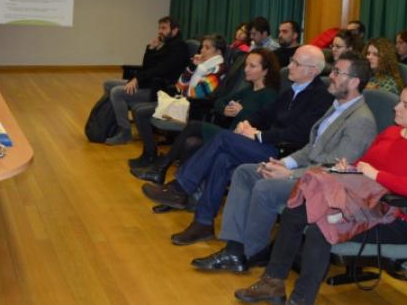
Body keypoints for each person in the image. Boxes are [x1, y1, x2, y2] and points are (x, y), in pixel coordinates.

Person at [234, 82, 407, 305]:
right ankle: (273, 282)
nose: (396, 107)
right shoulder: (392, 133)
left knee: (321, 228)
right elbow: (365, 165)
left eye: (406, 105)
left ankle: (300, 300)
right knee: (297, 206)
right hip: (363, 205)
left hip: (396, 219)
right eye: (400, 101)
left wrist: (376, 175)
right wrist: (348, 168)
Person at [190, 52, 378, 273]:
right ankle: (233, 249)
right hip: (305, 170)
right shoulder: (337, 106)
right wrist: (285, 164)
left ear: (354, 82)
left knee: (265, 186)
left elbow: (334, 169)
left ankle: (251, 253)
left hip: (322, 184)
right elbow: (311, 147)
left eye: (338, 72)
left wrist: (289, 175)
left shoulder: (361, 120)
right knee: (245, 172)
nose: (332, 75)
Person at [141, 45, 333, 245]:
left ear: (312, 70)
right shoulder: (292, 90)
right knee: (223, 158)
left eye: (296, 63)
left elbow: (299, 134)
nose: (290, 66)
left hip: (284, 154)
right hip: (270, 145)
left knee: (223, 138)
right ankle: (203, 223)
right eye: (291, 60)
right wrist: (247, 122)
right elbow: (265, 114)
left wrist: (258, 135)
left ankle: (181, 187)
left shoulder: (321, 97)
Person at [131, 48, 281, 184]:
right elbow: (219, 101)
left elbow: (264, 122)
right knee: (190, 142)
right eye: (246, 65)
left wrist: (241, 112)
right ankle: (178, 183)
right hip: (229, 134)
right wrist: (225, 110)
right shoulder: (248, 90)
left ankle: (161, 170)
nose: (246, 69)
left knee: (194, 125)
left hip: (239, 140)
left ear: (266, 71)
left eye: (252, 66)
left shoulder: (269, 94)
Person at [128, 34, 228, 168]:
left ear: (218, 52)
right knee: (137, 110)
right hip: (184, 103)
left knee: (141, 113)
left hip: (194, 110)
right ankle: (149, 154)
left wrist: (188, 86)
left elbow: (197, 93)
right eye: (202, 47)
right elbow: (180, 84)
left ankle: (150, 155)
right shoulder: (202, 65)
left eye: (207, 48)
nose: (202, 51)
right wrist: (193, 67)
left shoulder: (219, 69)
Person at [102, 16, 189, 145]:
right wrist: (150, 49)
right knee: (108, 84)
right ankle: (118, 121)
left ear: (175, 30)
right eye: (159, 28)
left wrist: (137, 79)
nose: (160, 31)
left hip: (159, 90)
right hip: (148, 84)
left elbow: (160, 69)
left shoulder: (179, 48)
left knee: (116, 92)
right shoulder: (165, 45)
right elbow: (147, 67)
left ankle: (125, 132)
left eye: (164, 28)